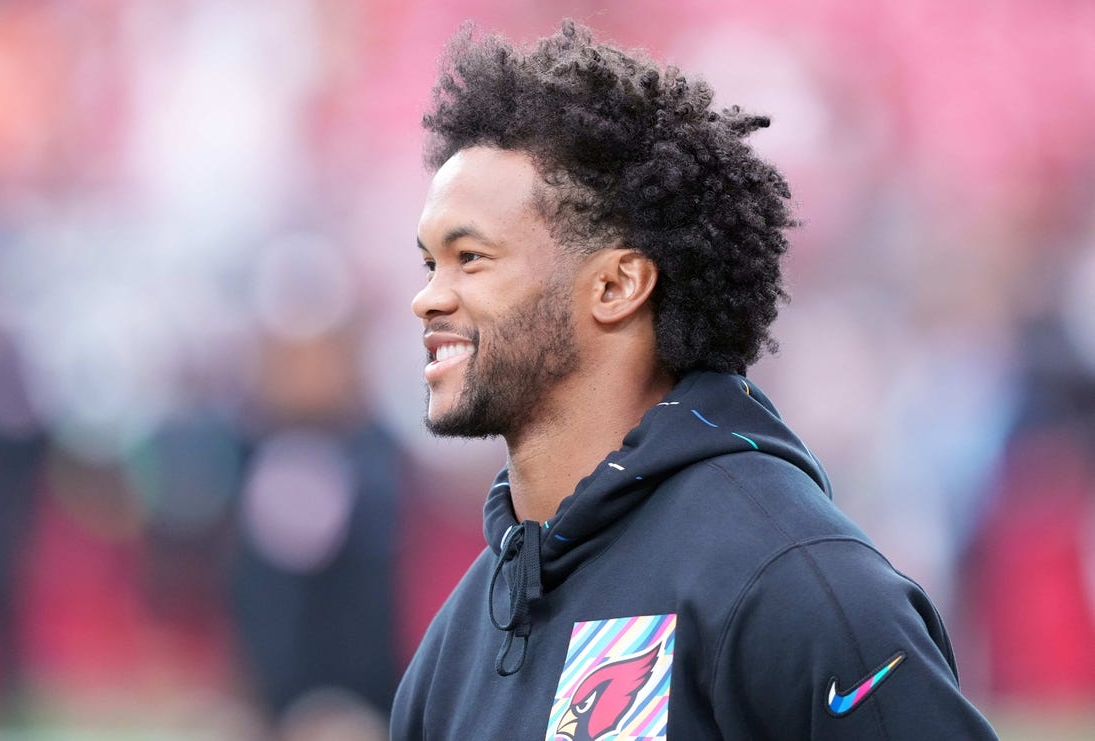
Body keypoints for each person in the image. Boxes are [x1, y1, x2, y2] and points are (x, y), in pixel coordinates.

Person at [392, 20, 998, 740]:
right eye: (431, 262)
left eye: (472, 257)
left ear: (616, 285)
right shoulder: (454, 646)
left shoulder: (793, 585)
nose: (428, 296)